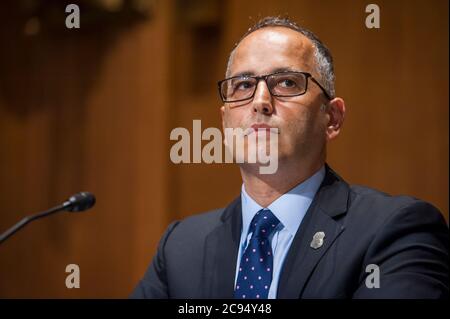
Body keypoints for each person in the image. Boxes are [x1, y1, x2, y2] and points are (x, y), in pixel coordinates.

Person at [131, 16, 449, 299]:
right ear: (225, 123)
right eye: (243, 85)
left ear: (332, 117)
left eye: (286, 82)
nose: (260, 102)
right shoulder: (179, 248)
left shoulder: (395, 231)